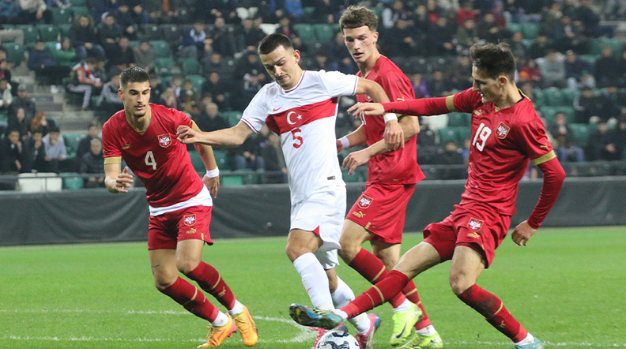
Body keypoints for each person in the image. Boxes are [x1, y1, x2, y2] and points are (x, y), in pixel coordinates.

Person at [288, 43, 566, 349]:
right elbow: (432, 105)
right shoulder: (479, 99)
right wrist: (389, 108)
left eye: (480, 83)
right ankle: (341, 315)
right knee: (402, 268)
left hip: (489, 214)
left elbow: (555, 174)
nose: (474, 89)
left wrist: (532, 223)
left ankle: (525, 341)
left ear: (502, 81)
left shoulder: (525, 121)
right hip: (464, 209)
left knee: (461, 284)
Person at [177, 34, 403, 348]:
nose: (278, 72)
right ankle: (365, 324)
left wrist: (390, 118)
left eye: (281, 63)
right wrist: (201, 136)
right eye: (270, 68)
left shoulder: (323, 82)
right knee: (328, 276)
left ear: (295, 55)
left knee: (296, 248)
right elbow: (239, 134)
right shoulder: (268, 95)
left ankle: (330, 328)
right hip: (300, 196)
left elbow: (373, 88)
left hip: (325, 187)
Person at [103, 67, 259, 348]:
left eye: (145, 92)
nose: (140, 99)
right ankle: (220, 323)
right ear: (121, 95)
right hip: (159, 209)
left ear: (150, 92)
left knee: (188, 264)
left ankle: (238, 311)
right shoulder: (112, 128)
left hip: (190, 199)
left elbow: (200, 139)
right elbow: (111, 174)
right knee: (164, 280)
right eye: (134, 93)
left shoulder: (169, 118)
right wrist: (113, 183)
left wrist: (212, 172)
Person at [333, 6, 442, 348]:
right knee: (391, 262)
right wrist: (340, 142)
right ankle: (427, 333)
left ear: (375, 36)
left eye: (362, 37)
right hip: (384, 174)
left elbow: (410, 124)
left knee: (346, 244)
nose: (356, 44)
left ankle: (402, 308)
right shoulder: (363, 77)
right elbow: (373, 127)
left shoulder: (388, 75)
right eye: (350, 39)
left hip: (392, 176)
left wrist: (366, 153)